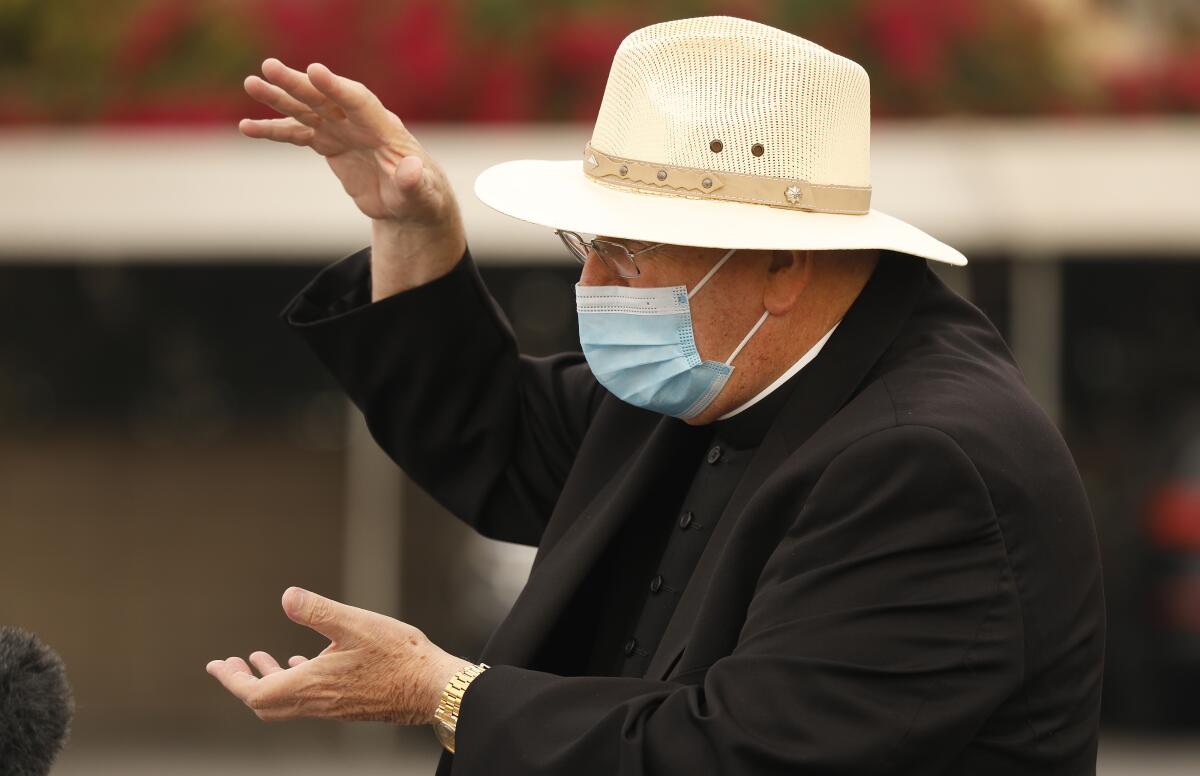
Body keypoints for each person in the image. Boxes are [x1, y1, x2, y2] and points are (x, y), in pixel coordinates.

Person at [206, 16, 1105, 775]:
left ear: (784, 264)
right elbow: (496, 438)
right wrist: (410, 228)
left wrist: (439, 691)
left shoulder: (928, 462)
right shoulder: (720, 368)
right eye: (585, 243)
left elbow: (740, 752)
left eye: (626, 253)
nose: (591, 280)